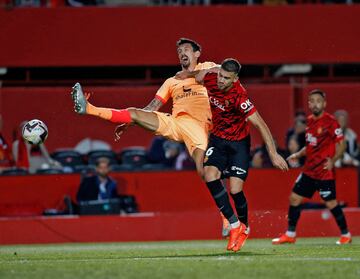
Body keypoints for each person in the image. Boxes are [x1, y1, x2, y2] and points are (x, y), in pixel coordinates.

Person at [177, 58, 288, 252]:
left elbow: (260, 124)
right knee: (209, 174)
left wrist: (273, 154)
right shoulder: (212, 78)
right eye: (220, 75)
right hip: (218, 140)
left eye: (226, 78)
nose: (220, 80)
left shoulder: (240, 97)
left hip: (239, 145)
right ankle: (235, 225)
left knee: (235, 190)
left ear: (235, 79)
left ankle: (245, 227)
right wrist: (188, 74)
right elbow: (202, 74)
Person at [71, 38, 217, 179]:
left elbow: (226, 73)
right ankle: (89, 108)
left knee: (205, 173)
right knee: (134, 112)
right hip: (177, 124)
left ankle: (226, 200)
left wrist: (188, 74)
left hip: (202, 125)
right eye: (179, 51)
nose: (182, 53)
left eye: (186, 50)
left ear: (197, 54)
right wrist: (132, 121)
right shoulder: (171, 82)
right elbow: (152, 107)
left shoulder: (206, 67)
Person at [272, 89, 352, 245]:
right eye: (312, 101)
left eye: (318, 101)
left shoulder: (331, 122)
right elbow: (310, 145)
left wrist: (333, 160)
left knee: (331, 203)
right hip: (309, 170)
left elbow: (342, 144)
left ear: (324, 103)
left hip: (323, 172)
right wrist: (298, 154)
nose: (315, 104)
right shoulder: (309, 121)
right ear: (309, 104)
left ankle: (346, 234)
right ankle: (290, 234)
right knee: (294, 198)